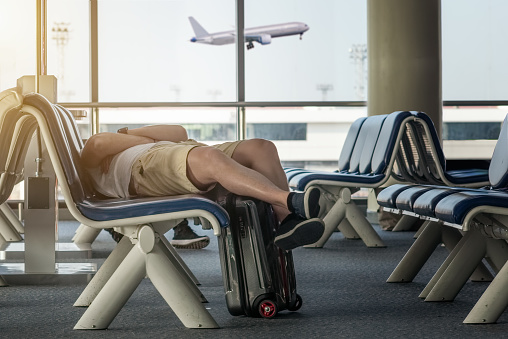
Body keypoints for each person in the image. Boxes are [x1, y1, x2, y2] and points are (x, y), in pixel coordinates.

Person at [80, 125, 325, 251]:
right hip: (145, 168)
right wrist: (147, 141)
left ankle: (285, 223)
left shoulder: (127, 143)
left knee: (261, 148)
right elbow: (99, 141)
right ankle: (289, 200)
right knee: (209, 158)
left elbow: (179, 132)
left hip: (177, 150)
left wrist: (131, 135)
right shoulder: (94, 160)